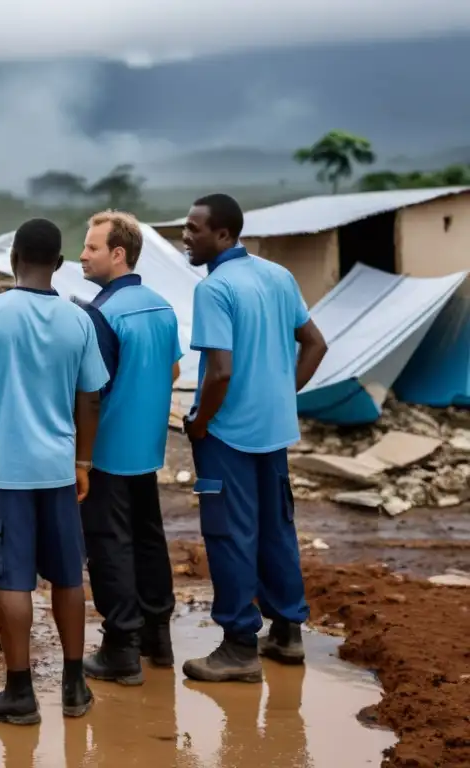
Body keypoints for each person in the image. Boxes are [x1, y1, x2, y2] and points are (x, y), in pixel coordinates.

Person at [0, 218, 109, 725]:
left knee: (12, 581)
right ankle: (75, 687)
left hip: (6, 473)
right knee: (66, 578)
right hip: (58, 471)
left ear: (13, 258)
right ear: (59, 264)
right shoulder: (78, 320)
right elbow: (91, 398)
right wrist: (83, 461)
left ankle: (20, 695)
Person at [181, 194, 328, 683]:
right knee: (276, 530)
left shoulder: (216, 289)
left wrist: (201, 422)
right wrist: (280, 393)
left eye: (194, 228)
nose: (186, 235)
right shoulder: (277, 277)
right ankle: (287, 633)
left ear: (224, 235)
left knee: (228, 535)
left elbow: (219, 372)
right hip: (273, 431)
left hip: (228, 434)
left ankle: (239, 647)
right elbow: (315, 343)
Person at [77, 210, 181, 684]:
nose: (83, 255)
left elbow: (92, 392)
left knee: (109, 544)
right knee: (147, 535)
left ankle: (121, 647)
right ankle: (158, 636)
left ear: (118, 255)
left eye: (92, 247)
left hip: (107, 450)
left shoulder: (102, 313)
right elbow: (173, 372)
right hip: (148, 448)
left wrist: (79, 452)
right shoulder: (161, 307)